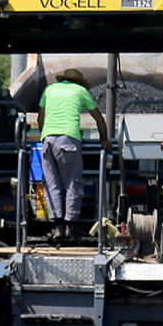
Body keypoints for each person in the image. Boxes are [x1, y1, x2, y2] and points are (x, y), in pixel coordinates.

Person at [39, 70, 109, 243]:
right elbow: (99, 119)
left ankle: (57, 227)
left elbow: (41, 117)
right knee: (72, 182)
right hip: (68, 140)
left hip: (47, 141)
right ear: (79, 82)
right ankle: (71, 225)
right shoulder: (80, 91)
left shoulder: (49, 90)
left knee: (52, 184)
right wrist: (104, 141)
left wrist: (46, 135)